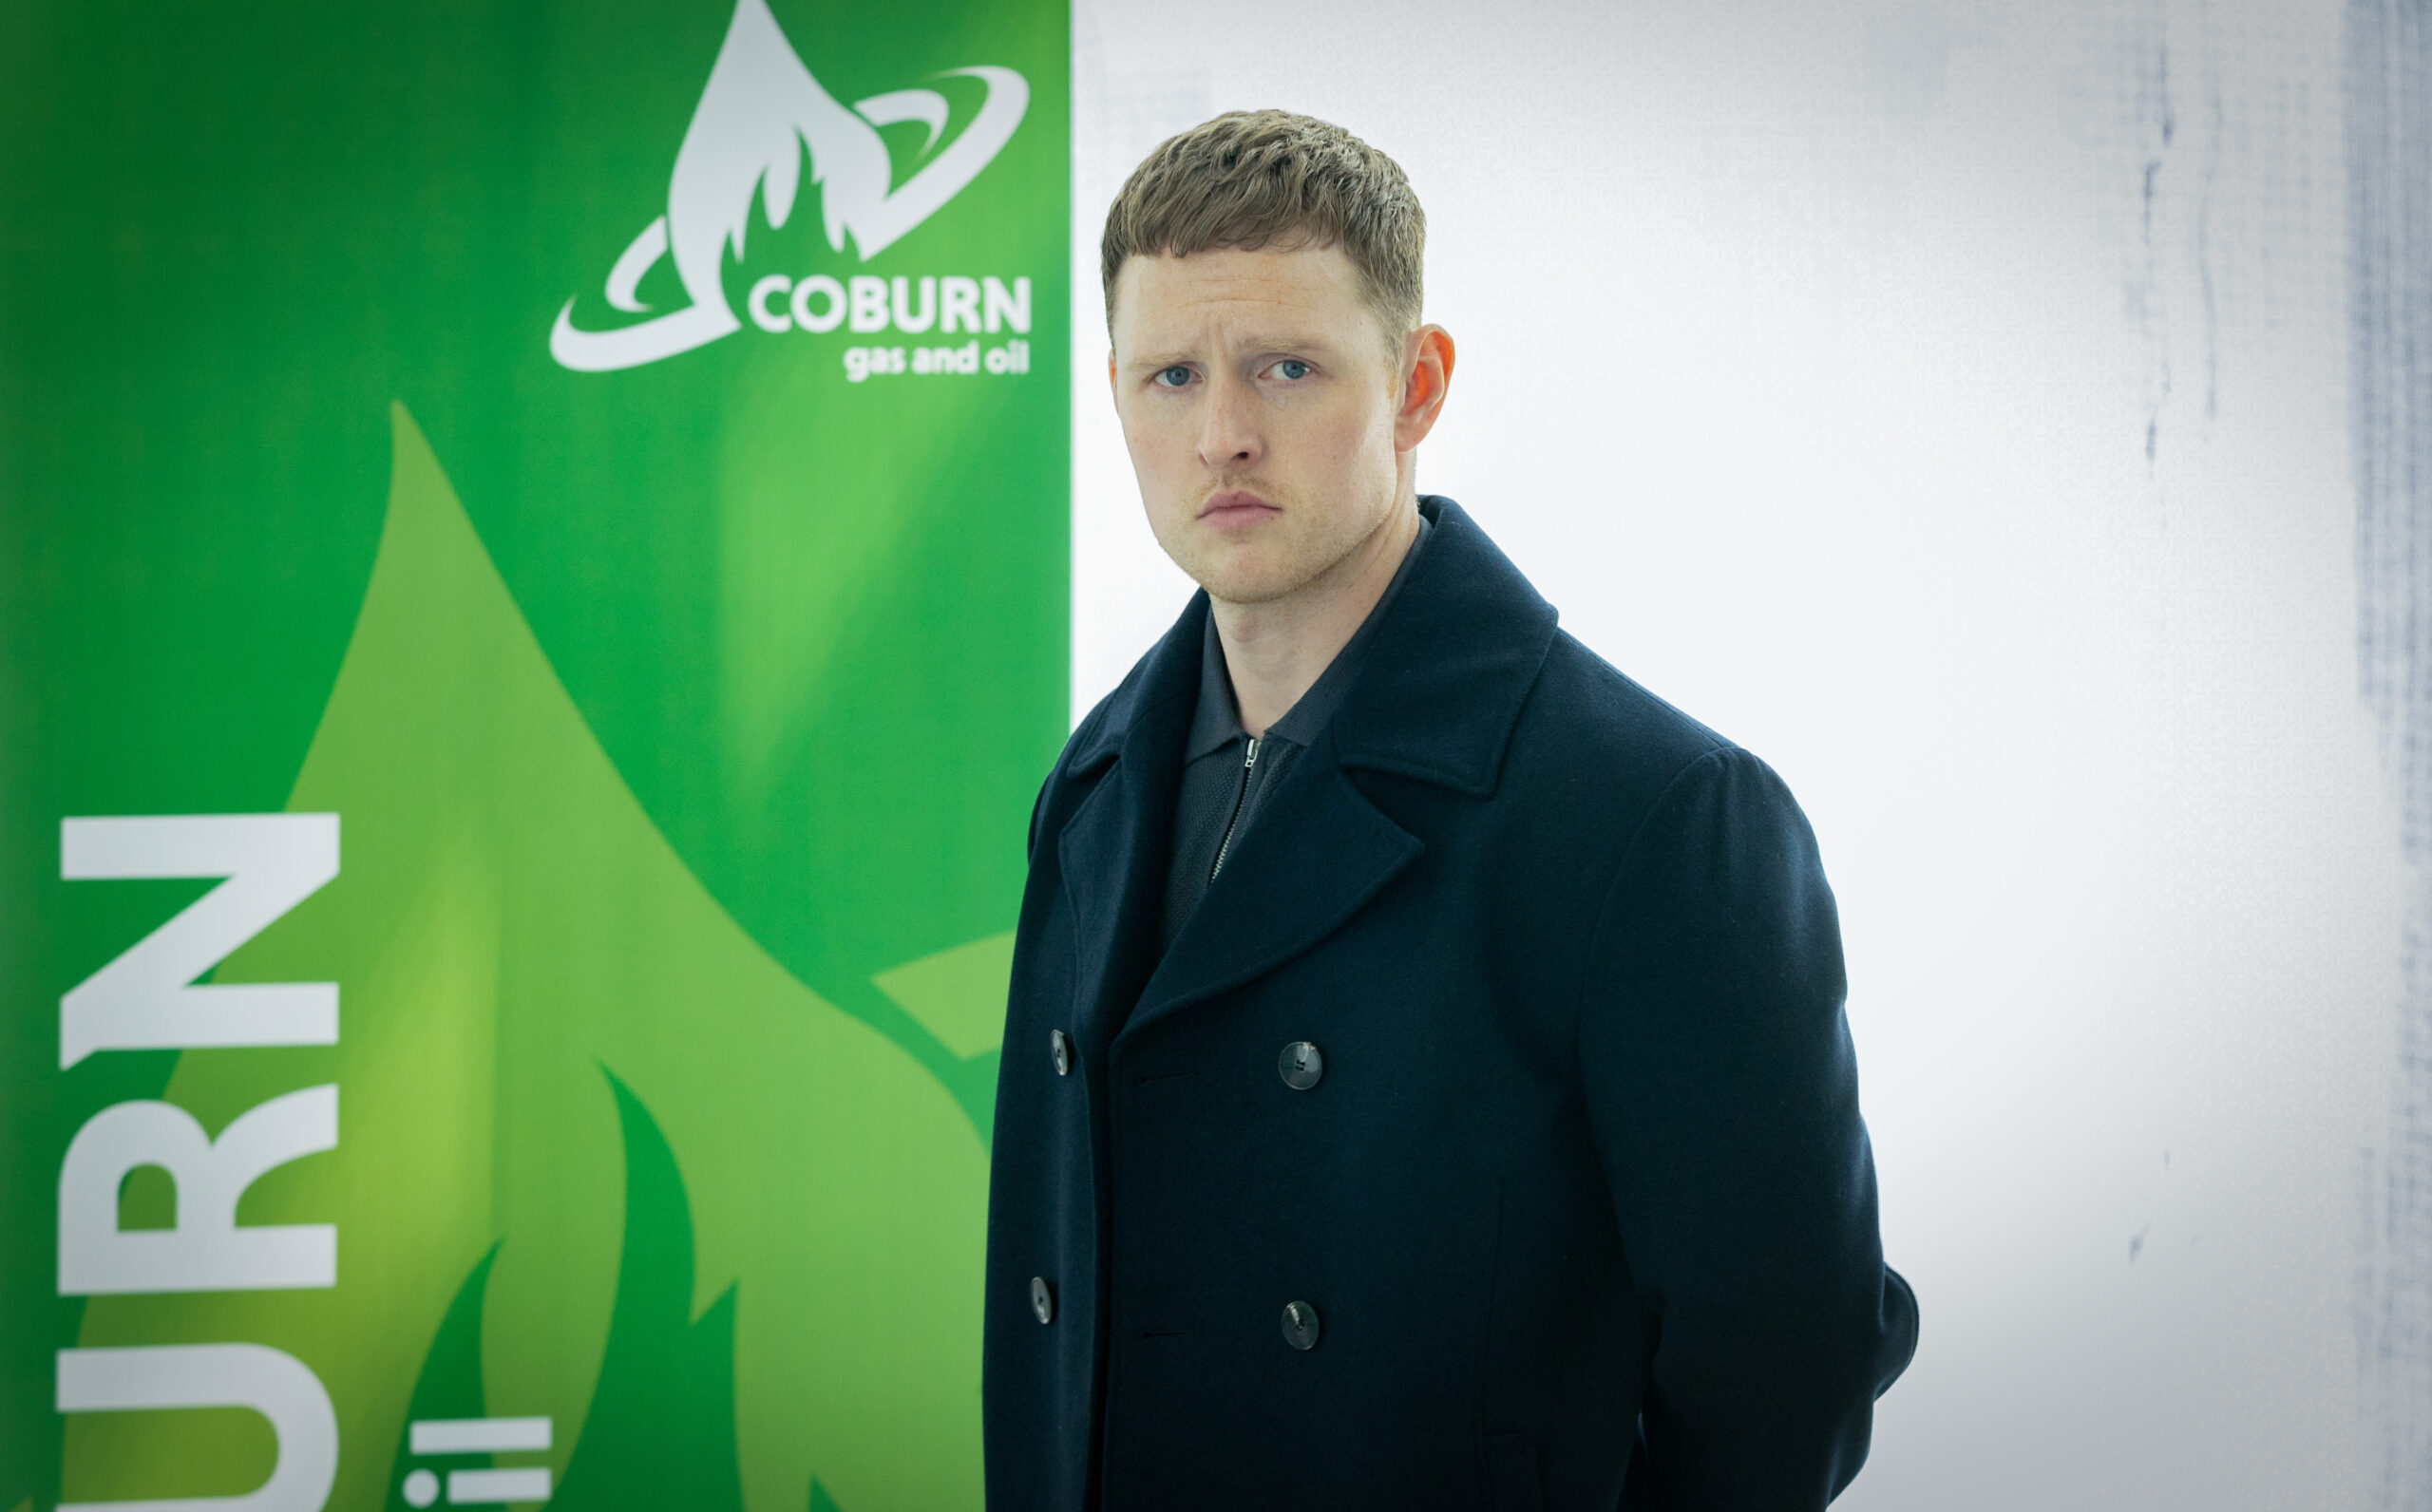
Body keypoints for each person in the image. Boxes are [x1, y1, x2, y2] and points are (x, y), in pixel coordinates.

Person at [982, 109, 1916, 1511]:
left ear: (1416, 387)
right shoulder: (1095, 786)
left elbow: (1787, 1378)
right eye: (1170, 376)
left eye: (1287, 368)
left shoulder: (1659, 816)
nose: (1222, 434)